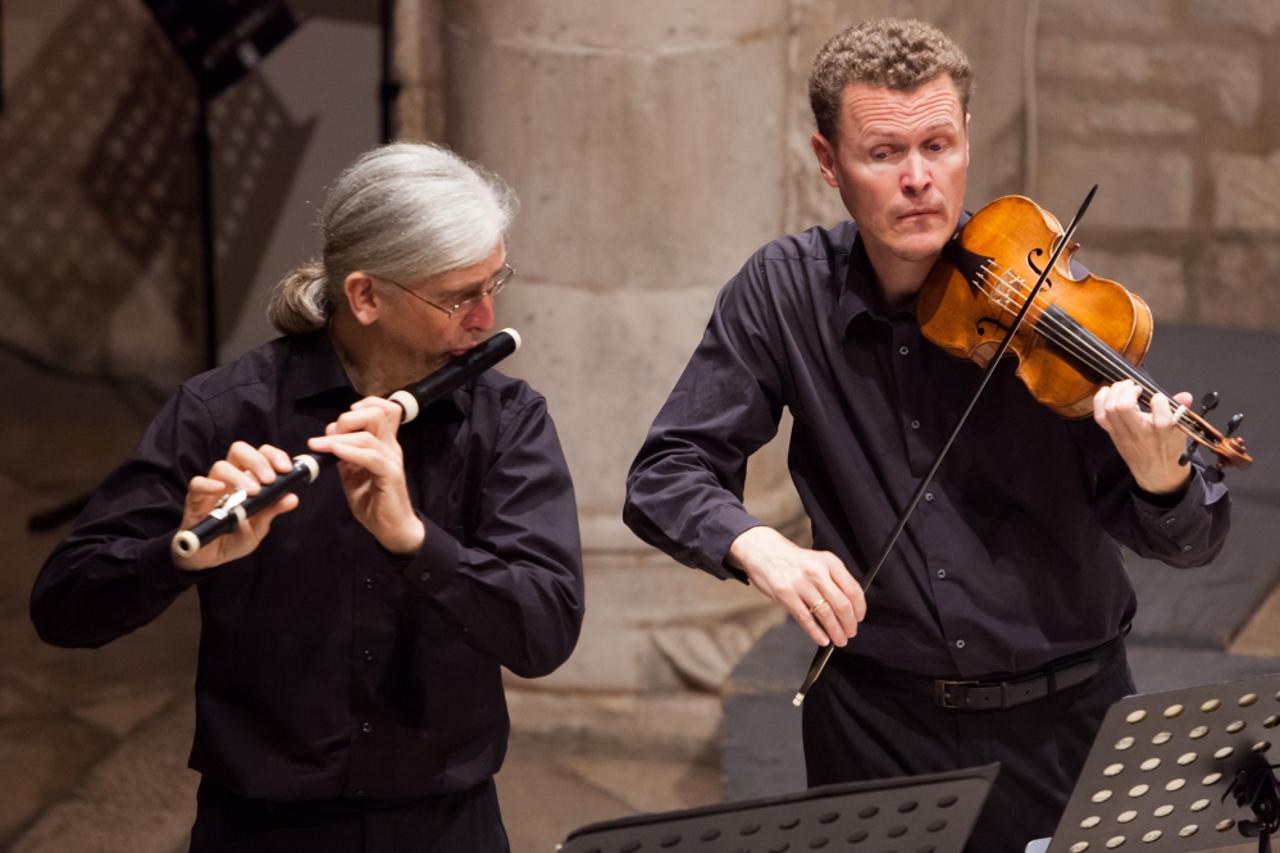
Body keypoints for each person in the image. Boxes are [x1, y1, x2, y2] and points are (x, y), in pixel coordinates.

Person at [622, 18, 1229, 852]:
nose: (919, 180)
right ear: (828, 162)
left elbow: (1194, 540)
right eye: (883, 155)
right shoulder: (783, 293)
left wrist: (1164, 482)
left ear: (968, 139)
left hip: (1067, 725)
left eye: (939, 145)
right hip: (876, 728)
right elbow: (666, 472)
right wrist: (758, 545)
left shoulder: (1052, 313)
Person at [31, 142, 584, 852]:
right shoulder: (221, 411)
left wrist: (415, 539)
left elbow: (545, 632)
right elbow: (63, 606)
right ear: (364, 295)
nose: (485, 318)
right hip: (261, 825)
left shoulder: (505, 420)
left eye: (492, 284)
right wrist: (181, 552)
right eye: (458, 296)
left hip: (444, 822)